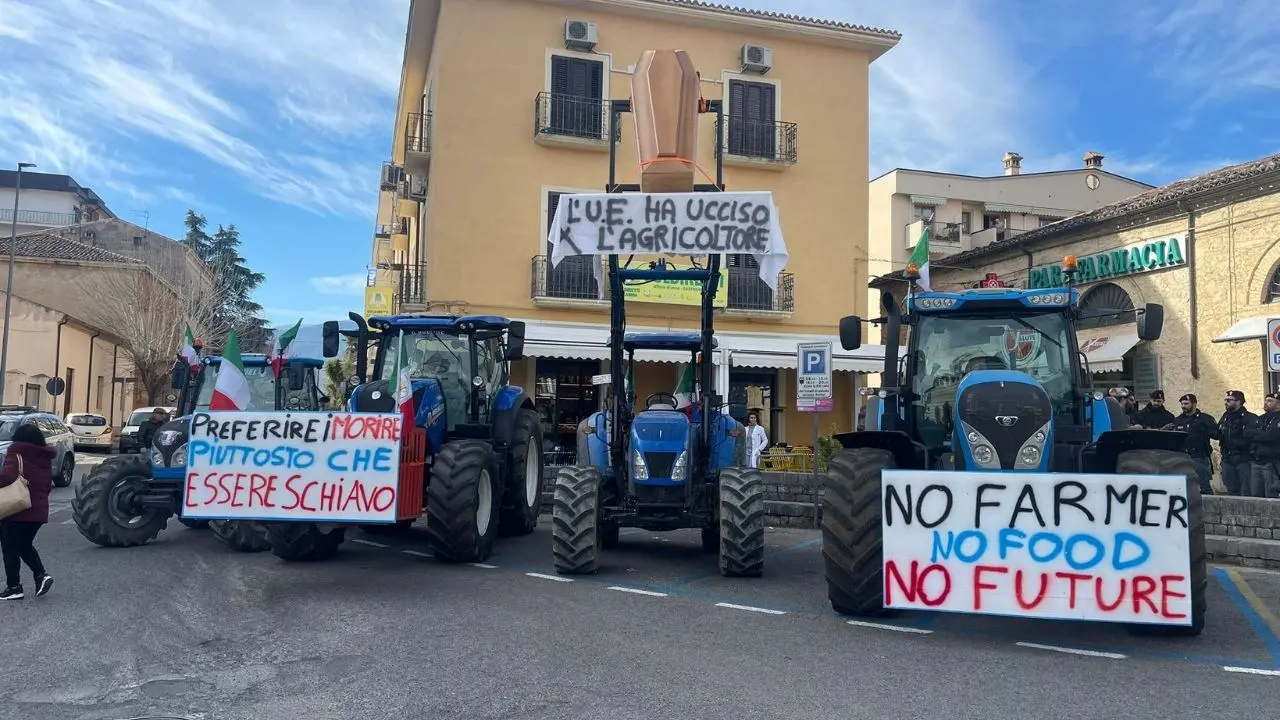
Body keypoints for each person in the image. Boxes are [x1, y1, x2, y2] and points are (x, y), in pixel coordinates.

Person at [0, 422, 57, 600]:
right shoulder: (44, 457)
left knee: (10, 547)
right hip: (38, 511)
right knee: (24, 545)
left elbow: (8, 477)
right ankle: (41, 575)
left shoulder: (16, 452)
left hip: (16, 510)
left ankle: (14, 587)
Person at [1164, 393, 1218, 495]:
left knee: (1203, 487)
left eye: (1186, 403)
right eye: (1182, 404)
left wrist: (1204, 430)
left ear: (1194, 404)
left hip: (1200, 457)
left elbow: (1217, 435)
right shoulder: (1178, 420)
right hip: (1183, 458)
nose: (1183, 406)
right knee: (1185, 488)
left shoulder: (1205, 419)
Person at [1218, 390, 1257, 495]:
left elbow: (1253, 439)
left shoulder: (1250, 418)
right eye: (1226, 400)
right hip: (1227, 458)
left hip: (1244, 459)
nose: (1226, 402)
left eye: (1229, 400)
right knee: (1231, 489)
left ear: (1239, 402)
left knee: (1246, 490)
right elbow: (1218, 434)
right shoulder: (1225, 417)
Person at [1248, 392, 1280, 498]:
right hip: (1256, 461)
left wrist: (1257, 435)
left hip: (1272, 463)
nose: (1266, 403)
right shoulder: (1261, 418)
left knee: (1271, 494)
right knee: (1255, 495)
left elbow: (1271, 436)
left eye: (1270, 401)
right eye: (1265, 400)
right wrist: (1260, 435)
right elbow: (1247, 433)